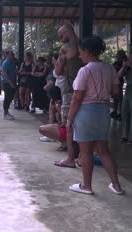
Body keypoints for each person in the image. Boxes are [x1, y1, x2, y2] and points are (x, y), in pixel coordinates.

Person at [66, 36, 123, 195]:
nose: (79, 55)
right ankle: (116, 186)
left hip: (86, 112)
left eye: (80, 52)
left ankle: (86, 186)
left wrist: (69, 119)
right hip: (103, 112)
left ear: (86, 51)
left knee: (85, 152)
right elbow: (116, 91)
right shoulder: (109, 68)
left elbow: (77, 97)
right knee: (104, 151)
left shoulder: (85, 70)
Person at [54, 24, 84, 168]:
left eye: (61, 36)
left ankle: (71, 157)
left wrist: (59, 64)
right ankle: (83, 156)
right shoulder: (85, 45)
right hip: (85, 89)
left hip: (71, 88)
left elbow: (58, 71)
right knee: (82, 123)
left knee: (69, 124)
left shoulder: (66, 48)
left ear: (67, 32)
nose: (61, 40)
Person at [1, 51, 17, 120]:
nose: (13, 56)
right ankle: (5, 114)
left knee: (10, 98)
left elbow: (14, 71)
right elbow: (5, 74)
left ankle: (7, 112)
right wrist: (11, 84)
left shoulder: (12, 62)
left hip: (13, 82)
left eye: (13, 55)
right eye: (11, 55)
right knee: (7, 98)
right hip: (7, 83)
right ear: (8, 56)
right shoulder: (5, 63)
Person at [111, 50, 127, 120]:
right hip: (114, 81)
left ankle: (121, 113)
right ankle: (115, 111)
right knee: (115, 98)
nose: (117, 56)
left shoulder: (123, 63)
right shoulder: (117, 63)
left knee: (120, 98)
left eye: (118, 54)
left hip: (119, 82)